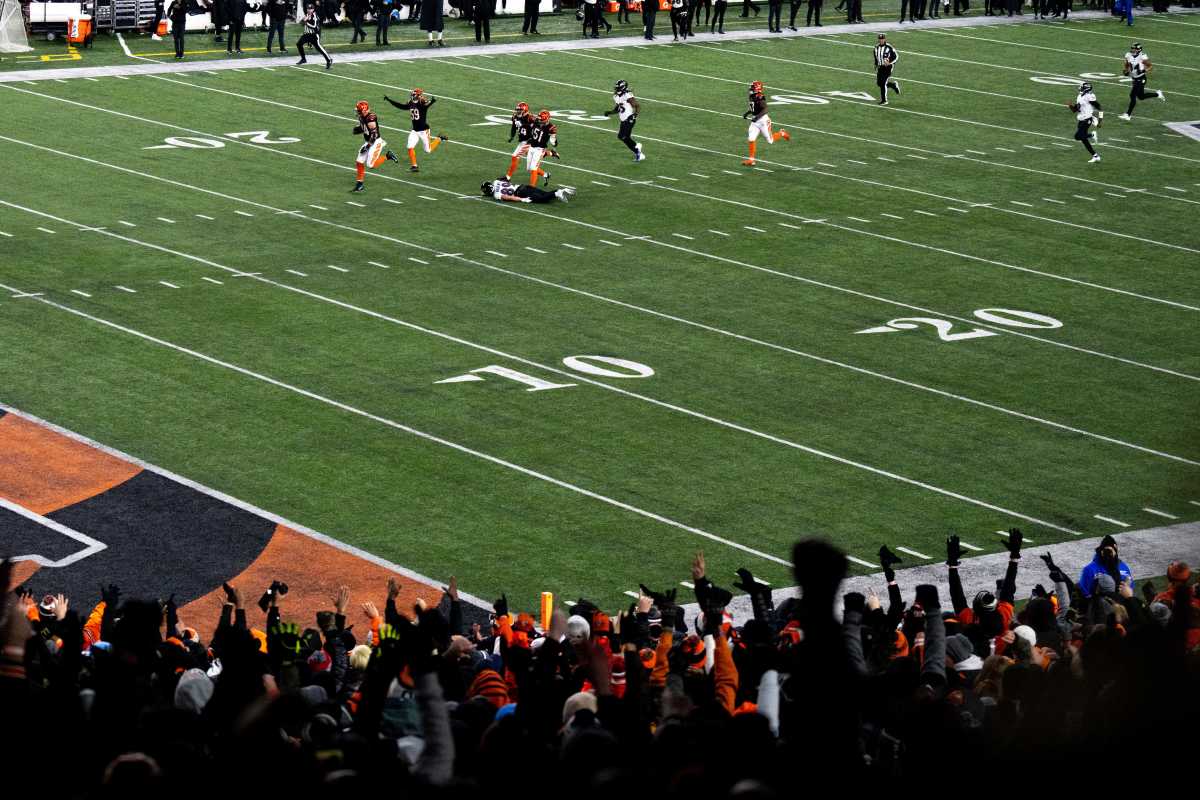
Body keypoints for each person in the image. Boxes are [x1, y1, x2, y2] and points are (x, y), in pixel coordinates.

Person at [384, 89, 448, 172]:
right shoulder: (411, 103)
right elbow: (401, 106)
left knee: (428, 150)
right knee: (410, 146)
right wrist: (390, 100)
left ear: (417, 96)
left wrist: (432, 101)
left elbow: (426, 106)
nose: (412, 96)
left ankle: (439, 138)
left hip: (423, 131)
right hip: (415, 131)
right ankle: (414, 166)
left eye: (414, 94)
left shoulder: (422, 103)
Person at [351, 100, 399, 192]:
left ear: (364, 110)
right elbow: (365, 128)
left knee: (370, 164)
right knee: (359, 161)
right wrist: (358, 129)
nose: (357, 112)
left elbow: (374, 134)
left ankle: (388, 156)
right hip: (369, 141)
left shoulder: (371, 118)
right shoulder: (362, 117)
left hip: (375, 142)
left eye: (358, 110)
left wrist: (367, 146)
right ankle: (360, 184)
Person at [742, 80, 790, 166]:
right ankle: (751, 160)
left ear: (757, 89)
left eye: (752, 87)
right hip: (755, 120)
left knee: (770, 140)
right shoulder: (752, 96)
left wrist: (756, 117)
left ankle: (782, 133)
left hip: (763, 121)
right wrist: (748, 113)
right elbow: (754, 108)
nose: (751, 89)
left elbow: (765, 109)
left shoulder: (760, 96)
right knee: (751, 138)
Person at [1119, 42, 1165, 120]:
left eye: (1134, 48)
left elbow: (1150, 66)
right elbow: (1126, 64)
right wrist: (1126, 70)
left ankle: (1128, 115)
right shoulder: (1128, 55)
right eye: (1132, 48)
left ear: (1138, 50)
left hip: (1141, 78)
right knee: (1141, 96)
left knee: (1132, 95)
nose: (1132, 50)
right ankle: (1158, 94)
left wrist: (1143, 71)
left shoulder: (1142, 57)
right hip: (1134, 78)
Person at [604, 79, 645, 162]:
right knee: (623, 137)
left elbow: (637, 106)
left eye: (618, 88)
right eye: (616, 88)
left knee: (623, 136)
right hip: (623, 120)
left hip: (629, 119)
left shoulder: (627, 95)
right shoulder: (616, 96)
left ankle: (638, 151)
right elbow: (618, 108)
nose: (616, 89)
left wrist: (634, 115)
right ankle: (637, 148)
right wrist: (610, 112)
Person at [1068, 81, 1103, 164]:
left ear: (1086, 89)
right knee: (1084, 139)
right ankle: (1095, 156)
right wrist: (1070, 106)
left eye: (1082, 87)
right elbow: (1076, 110)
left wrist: (1100, 121)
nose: (1080, 88)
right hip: (1081, 120)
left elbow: (1100, 108)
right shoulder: (1080, 96)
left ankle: (1092, 135)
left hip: (1087, 120)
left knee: (1077, 136)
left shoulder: (1090, 97)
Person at [526, 109, 558, 187]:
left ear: (546, 119)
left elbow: (552, 140)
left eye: (541, 119)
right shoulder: (536, 121)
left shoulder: (550, 127)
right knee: (529, 169)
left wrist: (554, 141)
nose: (539, 120)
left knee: (534, 168)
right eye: (539, 118)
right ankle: (546, 175)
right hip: (532, 147)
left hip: (540, 149)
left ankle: (532, 188)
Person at [483, 178, 575, 203]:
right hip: (523, 186)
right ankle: (561, 190)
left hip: (521, 193)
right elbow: (506, 180)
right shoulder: (496, 181)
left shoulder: (496, 194)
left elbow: (508, 197)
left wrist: (521, 199)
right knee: (544, 193)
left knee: (542, 199)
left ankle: (557, 193)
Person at [506, 102, 536, 179]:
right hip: (522, 141)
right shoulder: (515, 116)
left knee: (515, 156)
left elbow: (536, 130)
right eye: (518, 110)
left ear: (525, 110)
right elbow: (513, 126)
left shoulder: (530, 118)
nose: (518, 111)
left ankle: (508, 177)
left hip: (529, 141)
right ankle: (545, 175)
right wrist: (512, 136)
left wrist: (523, 125)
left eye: (520, 110)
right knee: (531, 167)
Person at [873, 33, 901, 105]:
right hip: (880, 67)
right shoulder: (876, 47)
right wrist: (876, 64)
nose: (881, 40)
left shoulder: (889, 47)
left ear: (884, 39)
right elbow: (876, 57)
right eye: (880, 39)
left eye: (882, 39)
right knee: (879, 83)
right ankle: (893, 85)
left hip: (888, 67)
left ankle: (884, 100)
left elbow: (896, 56)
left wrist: (890, 63)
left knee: (883, 83)